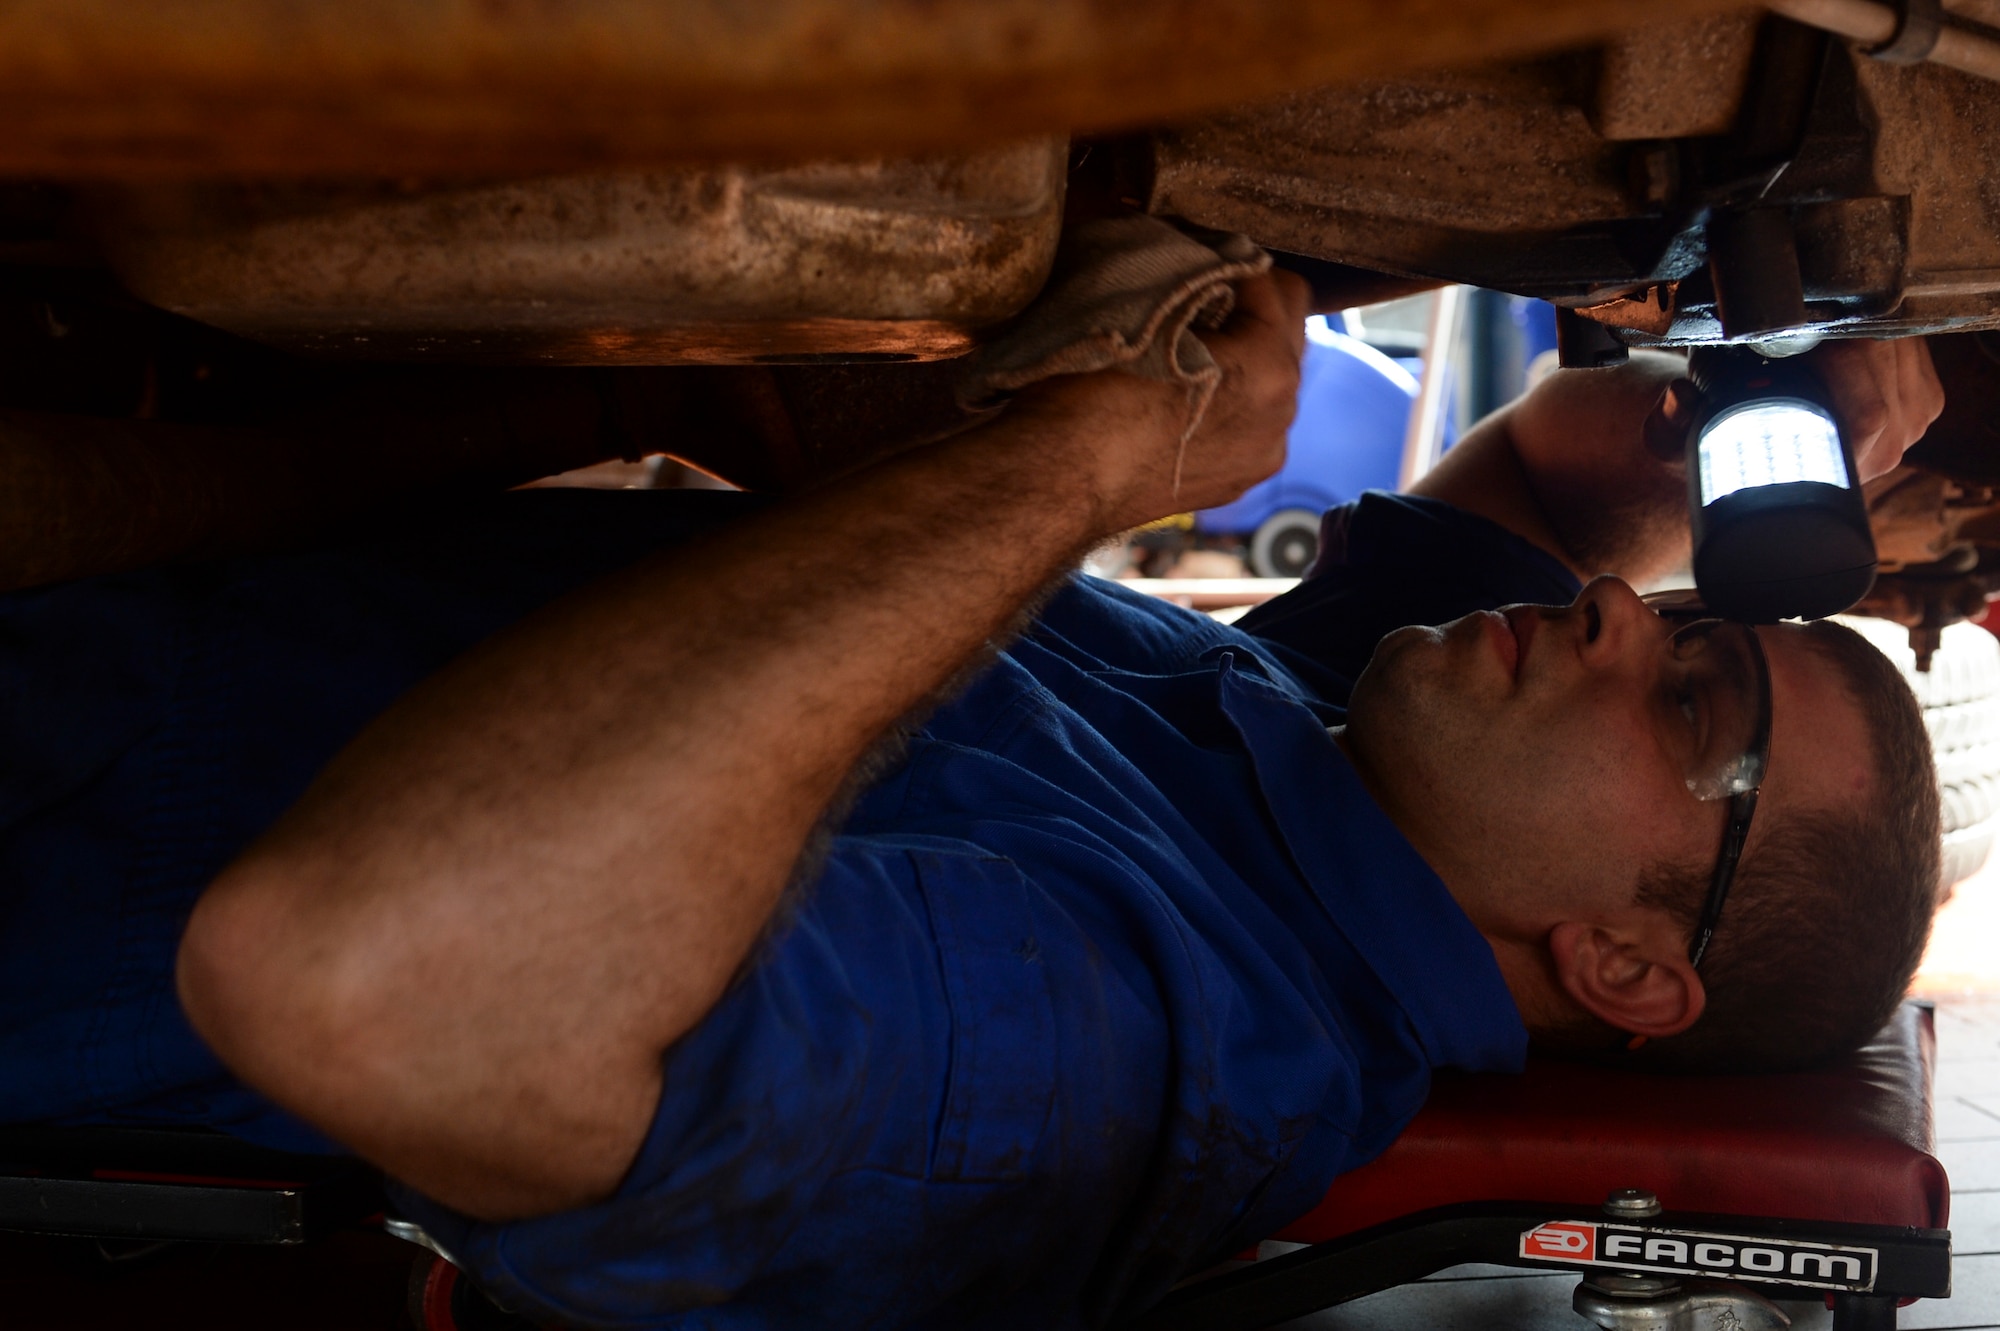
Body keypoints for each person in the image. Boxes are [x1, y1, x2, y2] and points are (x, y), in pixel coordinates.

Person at [0, 270, 1944, 1328]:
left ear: (1617, 963)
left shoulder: (1110, 1047)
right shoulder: (1308, 754)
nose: (1617, 612)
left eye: (1688, 689)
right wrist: (1752, 370)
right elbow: (1559, 487)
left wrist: (1089, 463)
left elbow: (363, 979)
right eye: (1673, 616)